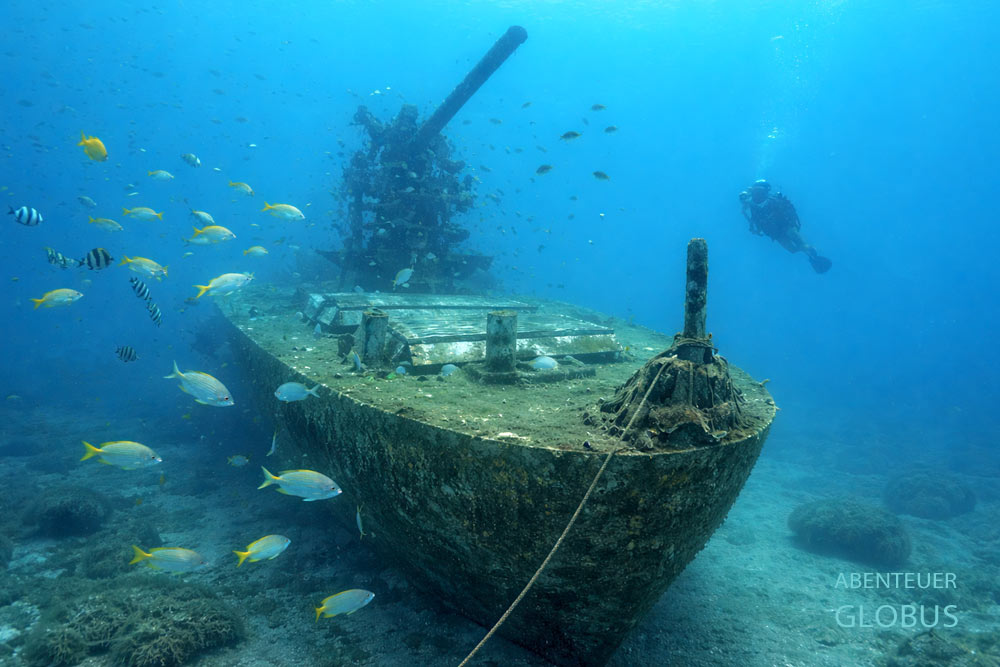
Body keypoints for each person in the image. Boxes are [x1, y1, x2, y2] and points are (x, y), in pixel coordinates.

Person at [739, 179, 832, 273]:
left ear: (766, 191)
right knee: (793, 250)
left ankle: (813, 253)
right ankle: (811, 256)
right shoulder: (751, 205)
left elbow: (787, 211)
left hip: (786, 226)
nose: (758, 195)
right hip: (776, 233)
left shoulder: (773, 200)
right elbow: (751, 219)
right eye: (755, 192)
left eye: (760, 192)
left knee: (802, 244)